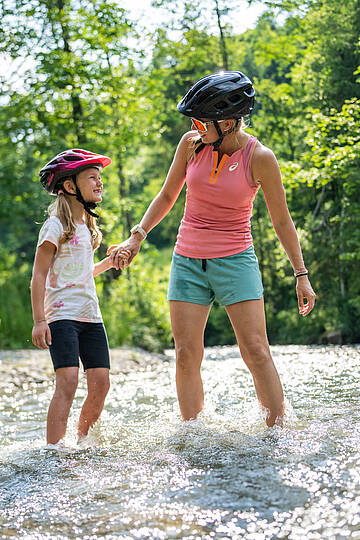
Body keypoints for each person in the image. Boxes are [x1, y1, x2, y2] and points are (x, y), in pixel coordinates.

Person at [109, 71, 316, 427]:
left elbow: (282, 222)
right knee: (186, 354)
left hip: (236, 260)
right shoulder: (191, 144)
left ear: (229, 121)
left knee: (255, 351)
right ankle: (195, 434)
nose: (195, 126)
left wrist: (301, 275)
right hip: (187, 261)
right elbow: (167, 194)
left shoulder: (260, 157)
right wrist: (137, 235)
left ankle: (279, 431)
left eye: (202, 121)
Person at [31, 149, 129, 445]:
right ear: (70, 186)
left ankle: (81, 442)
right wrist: (39, 320)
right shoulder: (55, 226)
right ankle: (53, 450)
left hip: (91, 316)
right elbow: (38, 275)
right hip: (61, 317)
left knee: (101, 383)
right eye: (92, 178)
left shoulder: (87, 227)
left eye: (100, 178)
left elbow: (82, 273)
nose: (100, 183)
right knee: (69, 381)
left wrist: (109, 263)